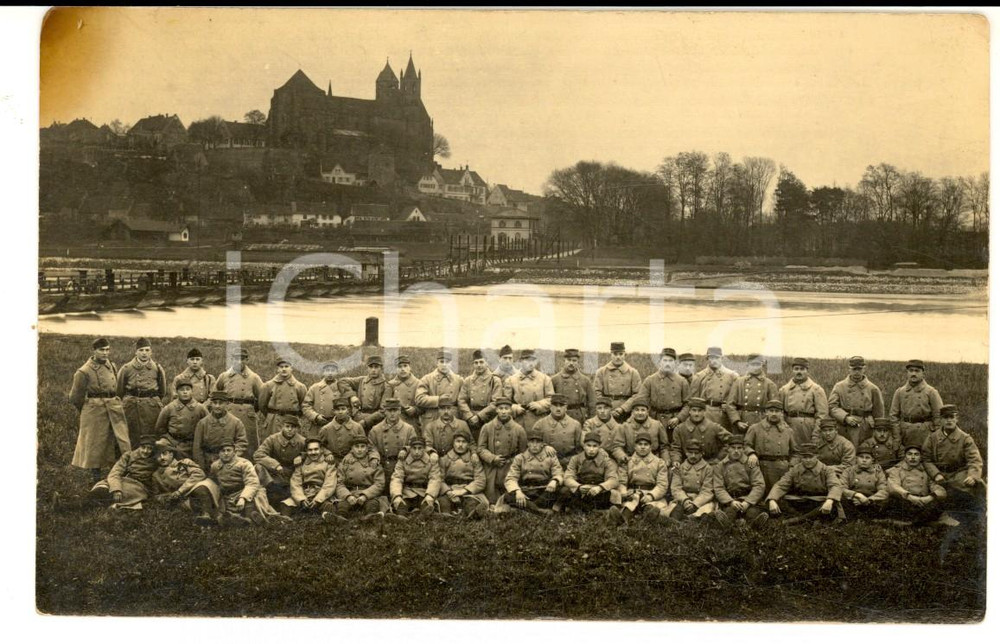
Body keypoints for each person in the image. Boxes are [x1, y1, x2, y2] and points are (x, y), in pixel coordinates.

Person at [69, 337, 131, 483]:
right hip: (95, 410)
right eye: (101, 350)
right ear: (94, 351)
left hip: (113, 406)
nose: (105, 353)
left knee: (120, 440)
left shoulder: (111, 365)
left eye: (107, 349)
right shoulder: (84, 371)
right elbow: (75, 397)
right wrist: (89, 409)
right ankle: (95, 476)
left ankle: (118, 472)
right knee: (95, 444)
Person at [921, 404, 985, 519]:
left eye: (952, 417)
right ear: (940, 420)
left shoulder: (965, 438)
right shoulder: (932, 438)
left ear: (957, 419)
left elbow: (974, 460)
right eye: (945, 417)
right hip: (939, 475)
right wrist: (936, 474)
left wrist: (972, 476)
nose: (949, 420)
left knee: (975, 486)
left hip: (958, 474)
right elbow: (926, 458)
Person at [765, 442, 843, 524]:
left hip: (818, 502)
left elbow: (835, 485)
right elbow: (781, 485)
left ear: (817, 456)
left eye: (811, 457)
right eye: (805, 457)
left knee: (833, 505)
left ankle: (790, 522)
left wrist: (829, 500)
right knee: (777, 502)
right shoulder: (795, 469)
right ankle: (807, 520)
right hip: (799, 502)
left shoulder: (826, 470)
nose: (807, 460)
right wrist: (772, 500)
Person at [149, 438, 220, 526]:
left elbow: (199, 474)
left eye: (164, 454)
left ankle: (206, 515)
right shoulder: (156, 475)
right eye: (158, 456)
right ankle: (208, 517)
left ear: (171, 454)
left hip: (196, 489)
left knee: (201, 487)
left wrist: (180, 491)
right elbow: (156, 495)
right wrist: (169, 496)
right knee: (187, 504)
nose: (162, 458)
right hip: (183, 499)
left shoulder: (184, 463)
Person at [607, 430, 671, 526]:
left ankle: (648, 520)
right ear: (635, 446)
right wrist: (624, 492)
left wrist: (651, 496)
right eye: (640, 444)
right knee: (629, 506)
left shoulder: (659, 463)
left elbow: (662, 484)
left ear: (650, 447)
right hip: (633, 493)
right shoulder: (627, 462)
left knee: (650, 507)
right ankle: (621, 520)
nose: (642, 447)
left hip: (651, 493)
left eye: (646, 444)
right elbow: (621, 481)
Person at [116, 337, 168, 450]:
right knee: (132, 435)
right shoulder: (126, 368)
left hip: (151, 407)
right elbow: (119, 391)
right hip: (131, 408)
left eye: (147, 350)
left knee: (151, 435)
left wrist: (152, 401)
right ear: (136, 352)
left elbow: (162, 391)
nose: (144, 353)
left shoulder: (157, 368)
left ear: (151, 352)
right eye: (141, 350)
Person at [626, 347, 688, 440]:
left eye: (671, 361)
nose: (667, 363)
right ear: (660, 362)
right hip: (654, 419)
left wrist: (678, 418)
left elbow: (688, 404)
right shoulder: (650, 380)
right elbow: (640, 401)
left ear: (675, 363)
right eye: (665, 360)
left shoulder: (682, 381)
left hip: (675, 421)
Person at [215, 347, 263, 459]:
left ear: (247, 360)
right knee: (227, 440)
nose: (239, 362)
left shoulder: (254, 377)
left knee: (248, 444)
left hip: (247, 415)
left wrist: (252, 409)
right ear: (232, 360)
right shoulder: (224, 376)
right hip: (228, 413)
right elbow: (216, 393)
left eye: (242, 359)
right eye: (236, 359)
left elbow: (262, 397)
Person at [88, 433, 159, 509]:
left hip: (139, 487)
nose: (145, 451)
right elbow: (115, 472)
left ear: (153, 450)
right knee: (103, 487)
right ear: (139, 447)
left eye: (149, 448)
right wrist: (116, 488)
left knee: (118, 495)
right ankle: (88, 500)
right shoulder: (129, 456)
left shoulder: (155, 461)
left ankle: (90, 503)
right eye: (143, 447)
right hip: (123, 480)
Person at [503, 428, 564, 516]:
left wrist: (554, 481)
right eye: (532, 442)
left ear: (543, 444)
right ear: (528, 443)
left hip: (544, 490)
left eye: (538, 442)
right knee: (508, 496)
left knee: (562, 491)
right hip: (526, 491)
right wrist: (517, 491)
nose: (534, 445)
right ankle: (540, 512)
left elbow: (558, 472)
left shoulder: (550, 457)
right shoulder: (520, 458)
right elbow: (511, 477)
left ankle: (527, 509)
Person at [712, 435, 768, 529]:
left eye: (739, 448)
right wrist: (730, 502)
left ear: (743, 449)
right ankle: (729, 526)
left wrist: (748, 502)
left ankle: (752, 525)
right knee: (729, 513)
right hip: (731, 499)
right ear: (728, 449)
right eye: (733, 448)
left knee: (752, 513)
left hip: (748, 498)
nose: (736, 451)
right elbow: (719, 488)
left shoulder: (750, 464)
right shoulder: (720, 466)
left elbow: (759, 485)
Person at [477, 397, 527, 503]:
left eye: (506, 408)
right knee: (491, 496)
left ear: (511, 410)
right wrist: (492, 458)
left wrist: (513, 461)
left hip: (510, 465)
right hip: (491, 466)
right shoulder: (487, 427)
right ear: (496, 410)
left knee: (509, 493)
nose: (503, 411)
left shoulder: (519, 429)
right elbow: (481, 449)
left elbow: (523, 452)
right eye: (501, 408)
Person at [828, 356, 885, 446]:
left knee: (864, 452)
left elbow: (879, 413)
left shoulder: (873, 388)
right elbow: (832, 407)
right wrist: (845, 417)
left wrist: (876, 429)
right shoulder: (839, 386)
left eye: (859, 369)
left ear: (864, 369)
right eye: (854, 369)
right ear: (849, 369)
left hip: (865, 427)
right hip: (845, 426)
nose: (857, 372)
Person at [886, 444, 949, 525]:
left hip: (923, 501)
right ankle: (920, 521)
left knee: (938, 503)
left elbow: (938, 489)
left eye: (916, 454)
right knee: (893, 500)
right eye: (909, 454)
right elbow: (893, 486)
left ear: (920, 457)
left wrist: (929, 498)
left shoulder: (926, 471)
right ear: (905, 457)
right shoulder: (897, 470)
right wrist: (909, 497)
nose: (913, 457)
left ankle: (913, 521)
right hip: (906, 500)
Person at [209, 440, 266, 525]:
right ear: (219, 453)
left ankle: (250, 518)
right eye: (223, 451)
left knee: (250, 502)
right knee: (222, 511)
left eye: (229, 450)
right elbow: (214, 481)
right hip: (227, 495)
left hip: (243, 491)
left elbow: (252, 482)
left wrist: (243, 497)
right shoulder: (215, 466)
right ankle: (234, 519)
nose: (226, 453)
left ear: (234, 452)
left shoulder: (244, 463)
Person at [743, 400, 797, 490]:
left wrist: (791, 466)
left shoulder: (788, 430)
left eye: (777, 411)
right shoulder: (755, 428)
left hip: (782, 469)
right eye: (771, 411)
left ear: (781, 413)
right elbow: (745, 445)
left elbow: (796, 452)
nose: (774, 414)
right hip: (762, 468)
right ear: (766, 412)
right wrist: (751, 453)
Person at [253, 414, 307, 506]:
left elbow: (313, 452)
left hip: (293, 474)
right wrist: (275, 465)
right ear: (282, 427)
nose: (290, 429)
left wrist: (302, 456)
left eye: (293, 427)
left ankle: (284, 494)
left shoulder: (302, 441)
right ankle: (271, 488)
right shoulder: (272, 439)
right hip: (275, 474)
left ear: (297, 429)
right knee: (258, 467)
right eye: (287, 426)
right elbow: (258, 455)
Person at [437, 427, 490, 519]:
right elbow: (439, 479)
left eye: (464, 442)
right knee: (444, 502)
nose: (460, 445)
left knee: (471, 502)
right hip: (450, 489)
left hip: (468, 490)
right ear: (453, 443)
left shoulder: (474, 459)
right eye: (458, 441)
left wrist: (463, 491)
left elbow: (481, 480)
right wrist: (449, 491)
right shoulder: (445, 459)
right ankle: (446, 515)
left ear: (468, 444)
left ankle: (473, 514)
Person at [889, 359, 943, 447]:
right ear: (907, 373)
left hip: (925, 433)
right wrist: (897, 436)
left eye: (917, 371)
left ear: (923, 373)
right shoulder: (900, 392)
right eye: (911, 371)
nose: (913, 374)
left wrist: (936, 437)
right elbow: (893, 416)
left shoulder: (931, 392)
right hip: (905, 433)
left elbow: (938, 416)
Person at [560, 431, 619, 513]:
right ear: (584, 446)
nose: (591, 449)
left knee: (612, 494)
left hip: (597, 491)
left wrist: (600, 487)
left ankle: (581, 509)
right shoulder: (575, 459)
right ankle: (595, 511)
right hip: (581, 490)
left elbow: (613, 479)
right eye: (588, 445)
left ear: (599, 447)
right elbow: (568, 477)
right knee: (564, 491)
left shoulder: (606, 461)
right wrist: (578, 486)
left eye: (595, 446)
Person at [777, 357, 829, 449]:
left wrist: (816, 433)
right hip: (789, 426)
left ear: (807, 371)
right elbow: (779, 412)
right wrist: (782, 426)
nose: (799, 372)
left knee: (807, 453)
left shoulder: (816, 389)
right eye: (796, 369)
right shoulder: (784, 390)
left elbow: (822, 414)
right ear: (792, 371)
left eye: (802, 369)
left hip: (808, 429)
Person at [280, 437, 338, 520]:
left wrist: (318, 500)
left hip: (320, 493)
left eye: (316, 449)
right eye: (310, 450)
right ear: (306, 451)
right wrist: (301, 499)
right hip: (305, 493)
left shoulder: (328, 463)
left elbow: (329, 484)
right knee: (285, 504)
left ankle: (329, 517)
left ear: (321, 450)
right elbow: (295, 483)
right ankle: (285, 520)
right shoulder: (301, 464)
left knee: (328, 506)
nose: (313, 452)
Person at [334, 434, 388, 522]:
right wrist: (347, 496)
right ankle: (341, 517)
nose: (359, 450)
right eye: (357, 447)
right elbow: (339, 483)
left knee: (372, 504)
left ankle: (370, 517)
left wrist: (365, 495)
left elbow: (379, 483)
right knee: (342, 505)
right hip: (351, 492)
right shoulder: (345, 462)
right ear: (352, 448)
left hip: (368, 493)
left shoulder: (373, 462)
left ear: (367, 449)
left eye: (363, 447)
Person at [388, 435, 443, 520]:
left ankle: (423, 516)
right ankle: (401, 518)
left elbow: (435, 479)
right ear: (410, 448)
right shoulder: (403, 460)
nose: (417, 452)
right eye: (414, 448)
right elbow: (397, 478)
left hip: (424, 492)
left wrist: (430, 495)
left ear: (424, 449)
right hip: (408, 492)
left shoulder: (431, 461)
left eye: (420, 448)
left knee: (427, 505)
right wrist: (397, 495)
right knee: (400, 505)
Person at [192, 391, 249, 470]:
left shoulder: (236, 422)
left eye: (220, 403)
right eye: (215, 403)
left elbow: (242, 443)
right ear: (211, 404)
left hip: (229, 462)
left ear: (226, 404)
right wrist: (201, 467)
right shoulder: (203, 423)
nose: (217, 406)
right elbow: (197, 448)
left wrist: (231, 458)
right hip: (208, 462)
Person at [457, 349, 505, 441]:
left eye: (481, 362)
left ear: (487, 363)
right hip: (471, 420)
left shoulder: (494, 380)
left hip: (488, 419)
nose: (479, 365)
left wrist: (479, 417)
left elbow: (496, 402)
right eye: (476, 362)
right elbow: (461, 400)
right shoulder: (468, 380)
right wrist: (470, 416)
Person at [154, 377, 207, 460]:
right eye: (182, 390)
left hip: (193, 442)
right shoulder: (169, 408)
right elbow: (160, 428)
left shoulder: (200, 408)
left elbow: (207, 426)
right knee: (160, 446)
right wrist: (170, 440)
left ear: (192, 391)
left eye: (188, 389)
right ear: (177, 392)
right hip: (173, 441)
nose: (185, 392)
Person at [725, 354, 779, 434]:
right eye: (752, 364)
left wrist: (766, 423)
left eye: (758, 364)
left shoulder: (769, 384)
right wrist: (737, 421)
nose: (755, 367)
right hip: (742, 421)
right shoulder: (738, 382)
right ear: (747, 365)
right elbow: (730, 405)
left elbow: (775, 407)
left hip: (761, 422)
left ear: (762, 365)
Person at [367, 398, 417, 483]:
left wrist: (406, 449)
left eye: (395, 410)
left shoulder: (409, 429)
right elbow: (371, 447)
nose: (392, 414)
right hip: (382, 467)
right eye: (389, 411)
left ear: (399, 411)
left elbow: (414, 446)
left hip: (402, 467)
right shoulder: (376, 430)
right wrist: (374, 457)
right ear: (385, 412)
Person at [258, 357, 307, 444]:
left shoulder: (300, 387)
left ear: (291, 368)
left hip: (291, 420)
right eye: (281, 367)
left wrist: (294, 416)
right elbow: (262, 405)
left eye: (286, 366)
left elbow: (303, 406)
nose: (284, 369)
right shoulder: (268, 385)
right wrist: (272, 415)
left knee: (292, 444)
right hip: (273, 421)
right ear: (277, 369)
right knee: (272, 444)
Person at [611, 398, 670, 469]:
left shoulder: (656, 425)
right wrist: (623, 457)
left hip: (653, 461)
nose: (640, 413)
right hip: (632, 461)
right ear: (632, 412)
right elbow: (617, 447)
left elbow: (664, 446)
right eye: (637, 410)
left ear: (647, 412)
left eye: (643, 410)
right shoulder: (624, 427)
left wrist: (665, 460)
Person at [670, 397, 731, 465]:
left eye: (699, 411)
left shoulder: (714, 427)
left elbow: (731, 441)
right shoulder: (679, 429)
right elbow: (676, 448)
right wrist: (676, 460)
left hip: (710, 464)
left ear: (704, 412)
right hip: (687, 466)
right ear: (689, 411)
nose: (696, 414)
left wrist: (718, 459)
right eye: (694, 410)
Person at [301, 362, 354, 439]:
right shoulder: (315, 388)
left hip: (338, 424)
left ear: (337, 372)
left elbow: (350, 406)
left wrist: (342, 416)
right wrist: (315, 416)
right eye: (327, 370)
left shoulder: (342, 387)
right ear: (323, 372)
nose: (330, 373)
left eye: (333, 370)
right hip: (318, 425)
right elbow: (306, 406)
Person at [594, 342, 642, 423]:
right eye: (615, 354)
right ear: (611, 355)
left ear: (625, 355)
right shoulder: (601, 372)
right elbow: (597, 392)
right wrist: (606, 408)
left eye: (621, 354)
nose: (618, 357)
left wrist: (623, 408)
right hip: (606, 411)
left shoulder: (633, 372)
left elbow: (637, 394)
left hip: (626, 413)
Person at [690, 347, 737, 429]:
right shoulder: (699, 376)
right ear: (707, 359)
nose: (714, 360)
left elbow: (736, 397)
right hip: (706, 413)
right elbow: (694, 399)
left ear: (722, 358)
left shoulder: (732, 376)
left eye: (717, 358)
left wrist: (728, 405)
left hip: (724, 414)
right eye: (711, 358)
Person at [668, 440, 716, 521]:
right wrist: (685, 500)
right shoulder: (680, 468)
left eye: (696, 453)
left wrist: (695, 504)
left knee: (706, 510)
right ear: (686, 453)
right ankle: (676, 521)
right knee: (675, 510)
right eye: (690, 452)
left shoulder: (708, 469)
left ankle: (694, 519)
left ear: (701, 454)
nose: (693, 455)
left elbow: (708, 490)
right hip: (683, 498)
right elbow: (676, 488)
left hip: (700, 499)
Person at [507, 349, 554, 431]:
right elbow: (505, 402)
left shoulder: (545, 379)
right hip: (518, 421)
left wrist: (540, 404)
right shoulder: (511, 380)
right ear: (521, 361)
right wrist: (514, 408)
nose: (531, 363)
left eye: (533, 360)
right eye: (527, 360)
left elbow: (552, 399)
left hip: (539, 420)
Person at [415, 351, 464, 429]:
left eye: (447, 362)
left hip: (453, 418)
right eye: (441, 362)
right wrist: (438, 399)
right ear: (437, 363)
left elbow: (463, 400)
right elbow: (419, 399)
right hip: (433, 418)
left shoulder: (459, 380)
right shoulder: (427, 379)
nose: (444, 364)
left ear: (451, 364)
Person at [839, 445, 889, 521]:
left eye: (867, 458)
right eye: (861, 457)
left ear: (872, 460)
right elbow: (842, 487)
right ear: (856, 459)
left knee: (885, 502)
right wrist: (856, 495)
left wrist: (869, 500)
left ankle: (868, 520)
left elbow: (883, 490)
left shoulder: (877, 472)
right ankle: (853, 520)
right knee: (841, 500)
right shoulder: (849, 471)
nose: (864, 460)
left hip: (871, 501)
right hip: (853, 500)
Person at [534, 393, 583, 469]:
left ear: (566, 407)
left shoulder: (575, 424)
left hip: (569, 463)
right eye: (555, 405)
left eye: (561, 405)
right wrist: (544, 446)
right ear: (550, 407)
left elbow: (579, 449)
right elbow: (532, 445)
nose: (558, 408)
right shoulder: (540, 424)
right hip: (546, 463)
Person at [340, 355, 387, 431]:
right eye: (371, 367)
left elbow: (383, 410)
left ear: (381, 368)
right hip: (358, 417)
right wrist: (352, 396)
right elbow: (342, 382)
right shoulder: (361, 381)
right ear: (367, 368)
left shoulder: (386, 385)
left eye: (376, 367)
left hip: (375, 421)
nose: (373, 370)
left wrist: (365, 422)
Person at [316, 397, 368, 465]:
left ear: (348, 410)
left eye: (343, 409)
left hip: (353, 460)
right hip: (333, 461)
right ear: (333, 411)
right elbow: (319, 445)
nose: (340, 412)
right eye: (337, 409)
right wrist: (327, 453)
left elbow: (364, 444)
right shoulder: (326, 429)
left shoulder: (357, 427)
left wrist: (352, 454)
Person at [551, 348, 596, 426]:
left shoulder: (585, 380)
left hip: (580, 417)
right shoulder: (555, 379)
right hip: (561, 416)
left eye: (574, 360)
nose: (571, 363)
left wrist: (591, 421)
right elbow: (550, 401)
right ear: (564, 361)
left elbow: (592, 403)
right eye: (568, 360)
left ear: (578, 362)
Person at [384, 355, 423, 431]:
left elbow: (424, 405)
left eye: (405, 366)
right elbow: (385, 404)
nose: (403, 369)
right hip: (394, 422)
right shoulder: (391, 384)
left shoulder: (418, 383)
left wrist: (415, 409)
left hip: (412, 421)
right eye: (399, 367)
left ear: (410, 367)